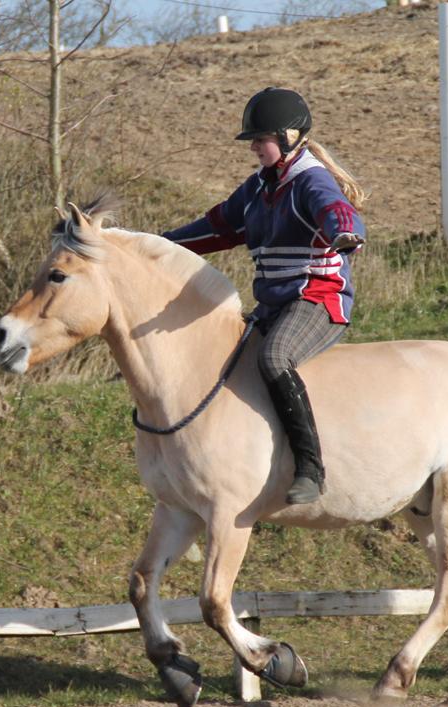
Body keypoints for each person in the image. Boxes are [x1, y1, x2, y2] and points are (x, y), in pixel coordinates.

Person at [163, 87, 366, 504]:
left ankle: (311, 468)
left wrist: (345, 233)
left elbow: (336, 211)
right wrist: (155, 245)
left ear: (289, 137)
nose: (254, 147)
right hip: (274, 304)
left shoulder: (311, 180)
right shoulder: (258, 187)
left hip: (318, 299)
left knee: (274, 357)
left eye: (260, 139)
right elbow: (218, 228)